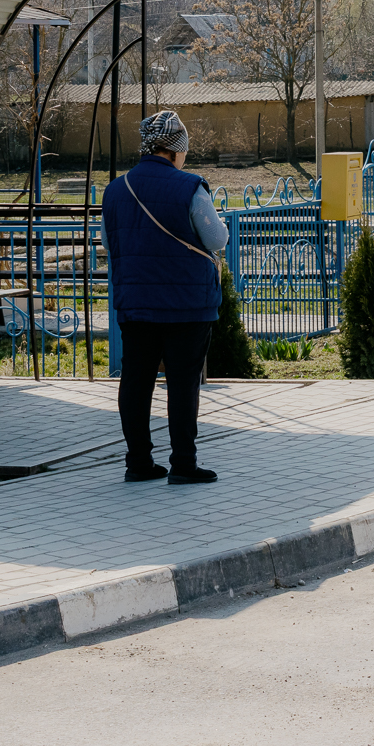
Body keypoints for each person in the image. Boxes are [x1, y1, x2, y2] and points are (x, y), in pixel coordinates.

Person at [101, 110, 229, 485]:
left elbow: (109, 242)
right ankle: (183, 465)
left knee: (136, 381)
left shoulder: (116, 190)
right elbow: (216, 238)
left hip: (135, 301)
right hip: (187, 305)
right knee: (183, 382)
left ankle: (138, 462)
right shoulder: (190, 188)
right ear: (176, 148)